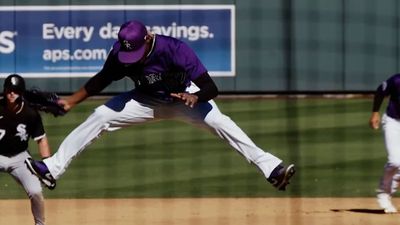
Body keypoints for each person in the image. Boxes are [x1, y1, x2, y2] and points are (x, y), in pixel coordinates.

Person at [25, 20, 295, 191]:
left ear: (148, 38)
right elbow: (101, 80)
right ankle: (52, 169)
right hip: (145, 100)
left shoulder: (174, 48)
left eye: (136, 52)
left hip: (184, 98)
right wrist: (71, 101)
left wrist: (197, 97)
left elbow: (211, 87)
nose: (132, 58)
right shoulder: (120, 54)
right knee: (100, 116)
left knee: (220, 122)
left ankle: (272, 169)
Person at [0, 74, 51, 225]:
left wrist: (48, 165)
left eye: (15, 91)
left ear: (21, 93)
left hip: (20, 158)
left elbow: (41, 139)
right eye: (9, 90)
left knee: (35, 191)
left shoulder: (30, 113)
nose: (11, 93)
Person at [369, 73, 400, 213]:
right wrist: (375, 112)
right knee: (395, 161)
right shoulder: (397, 80)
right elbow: (380, 91)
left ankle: (388, 191)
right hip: (393, 122)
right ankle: (384, 192)